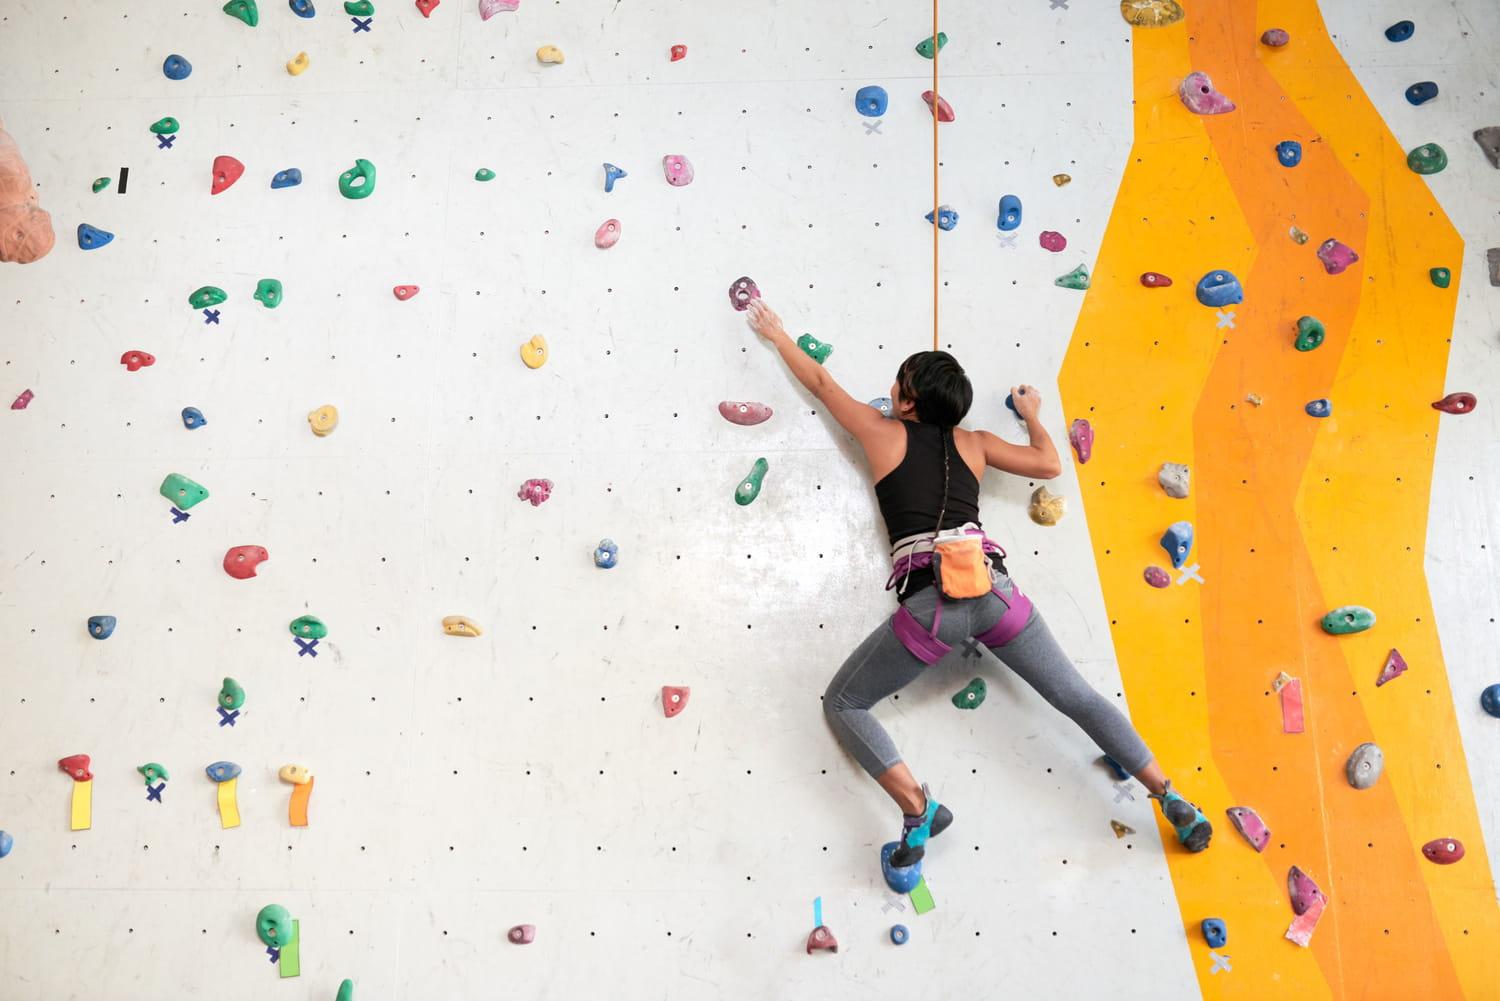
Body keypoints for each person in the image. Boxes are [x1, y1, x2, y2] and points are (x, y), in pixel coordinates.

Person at [744, 299, 1212, 869]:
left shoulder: (880, 432)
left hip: (931, 611)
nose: (892, 388)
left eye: (899, 383)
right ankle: (1170, 794)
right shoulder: (977, 443)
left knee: (844, 702)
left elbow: (819, 380)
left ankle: (919, 809)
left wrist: (777, 333)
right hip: (997, 598)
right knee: (1078, 698)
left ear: (907, 401)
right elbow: (1048, 465)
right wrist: (1033, 411)